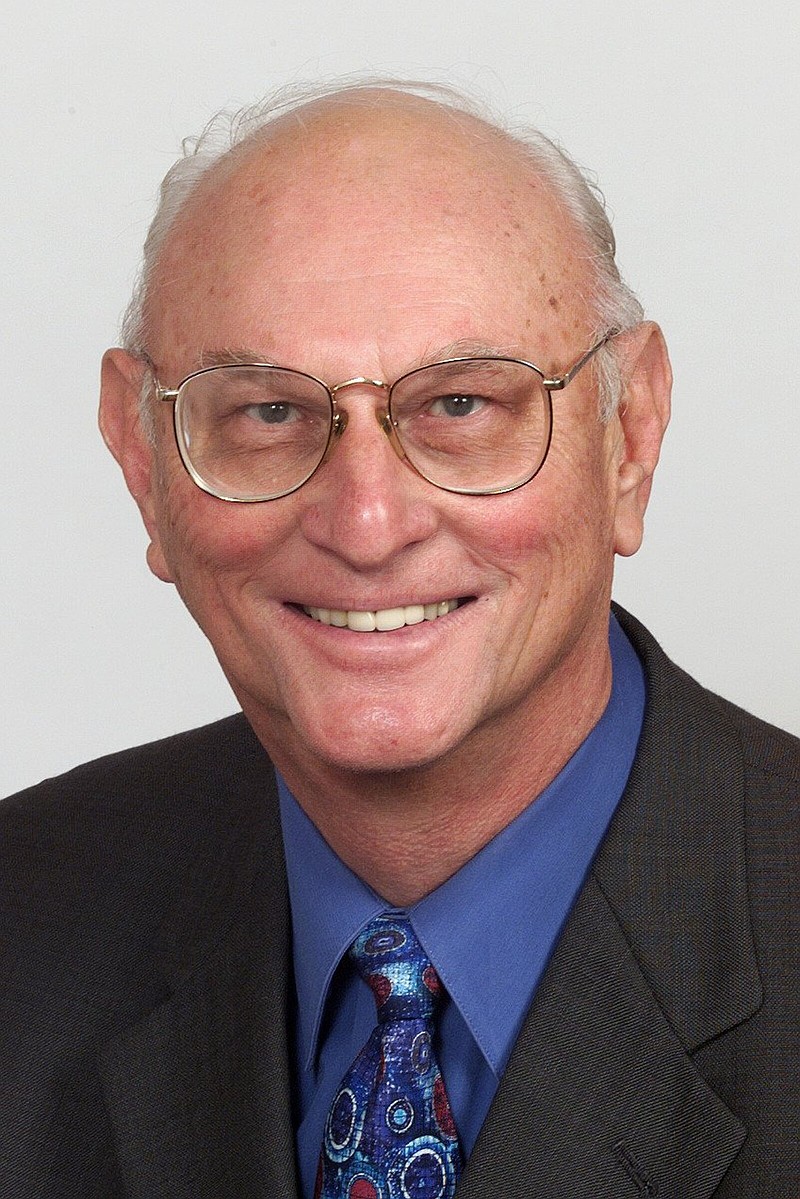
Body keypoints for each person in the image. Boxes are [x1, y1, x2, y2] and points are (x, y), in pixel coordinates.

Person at [1, 80, 797, 1199]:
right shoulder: (24, 921)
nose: (367, 525)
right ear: (144, 464)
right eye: (269, 412)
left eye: (461, 404)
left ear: (628, 436)